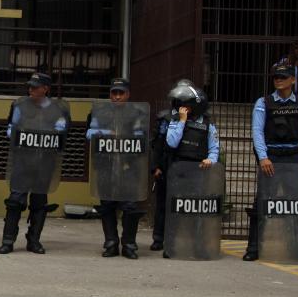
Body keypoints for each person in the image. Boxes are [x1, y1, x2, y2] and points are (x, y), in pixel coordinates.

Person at [243, 63, 298, 261]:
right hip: (272, 158)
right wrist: (263, 157)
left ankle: (297, 248)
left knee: (296, 206)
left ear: (293, 80)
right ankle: (254, 248)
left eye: (283, 77)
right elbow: (257, 132)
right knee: (261, 205)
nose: (278, 80)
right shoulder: (263, 103)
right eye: (276, 77)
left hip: (294, 159)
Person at [0, 73, 69, 255]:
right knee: (15, 201)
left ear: (46, 88)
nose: (30, 89)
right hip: (22, 161)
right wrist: (13, 133)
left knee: (39, 202)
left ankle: (34, 241)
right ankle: (8, 241)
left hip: (44, 162)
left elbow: (62, 134)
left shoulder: (58, 109)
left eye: (35, 86)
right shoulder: (20, 105)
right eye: (29, 86)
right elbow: (11, 128)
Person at [85, 78, 147, 260]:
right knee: (107, 205)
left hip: (128, 166)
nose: (117, 96)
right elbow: (89, 133)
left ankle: (129, 244)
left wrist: (125, 139)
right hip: (106, 164)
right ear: (110, 94)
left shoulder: (136, 113)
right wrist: (107, 134)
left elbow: (141, 137)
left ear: (128, 94)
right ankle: (111, 243)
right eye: (114, 93)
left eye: (121, 93)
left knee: (130, 207)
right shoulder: (101, 112)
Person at [160, 80, 220, 257]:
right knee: (176, 211)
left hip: (199, 172)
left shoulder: (208, 125)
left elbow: (214, 148)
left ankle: (198, 246)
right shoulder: (176, 120)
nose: (181, 107)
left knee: (197, 212)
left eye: (185, 105)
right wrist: (182, 122)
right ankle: (171, 246)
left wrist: (211, 160)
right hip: (179, 171)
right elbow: (171, 142)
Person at [149, 78, 194, 251]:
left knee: (184, 203)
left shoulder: (198, 118)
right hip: (168, 163)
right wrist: (156, 166)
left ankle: (181, 238)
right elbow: (158, 143)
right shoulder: (165, 118)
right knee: (162, 203)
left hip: (187, 163)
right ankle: (159, 238)